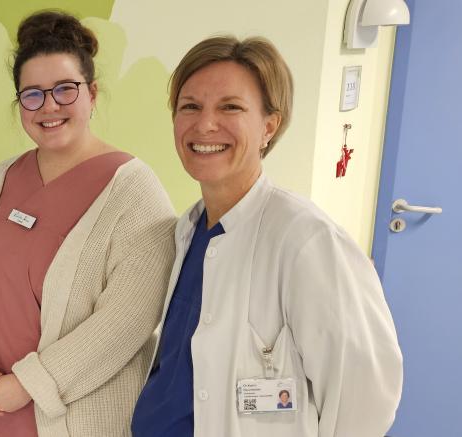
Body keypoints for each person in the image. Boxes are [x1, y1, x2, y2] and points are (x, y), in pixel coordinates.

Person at [130, 36, 403, 436]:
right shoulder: (187, 231)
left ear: (269, 127)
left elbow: (367, 397)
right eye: (190, 106)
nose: (205, 124)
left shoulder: (307, 240)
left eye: (231, 107)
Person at [0, 10, 177, 437]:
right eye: (32, 94)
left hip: (79, 421)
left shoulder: (136, 193)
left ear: (93, 94)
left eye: (65, 90)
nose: (49, 107)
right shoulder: (0, 180)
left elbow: (126, 321)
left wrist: (29, 384)